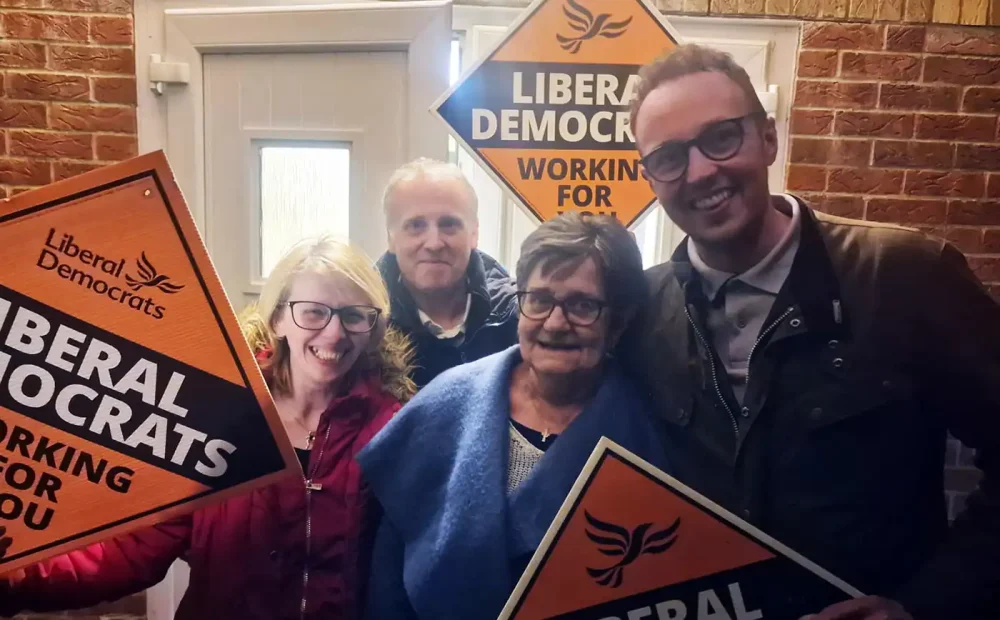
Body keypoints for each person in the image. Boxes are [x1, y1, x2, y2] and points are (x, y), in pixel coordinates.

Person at [622, 43, 1000, 620]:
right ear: (648, 176)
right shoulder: (642, 312)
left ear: (768, 137)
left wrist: (923, 605)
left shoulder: (904, 274)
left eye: (721, 138)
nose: (700, 172)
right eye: (669, 157)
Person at [0, 236, 416, 620]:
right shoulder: (218, 417)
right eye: (313, 312)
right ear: (277, 320)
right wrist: (14, 577)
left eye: (354, 317)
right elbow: (131, 550)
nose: (334, 332)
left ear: (373, 328)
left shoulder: (393, 431)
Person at [358, 213, 672, 619]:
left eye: (582, 305)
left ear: (618, 322)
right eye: (539, 299)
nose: (556, 323)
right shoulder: (443, 405)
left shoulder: (650, 435)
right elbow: (388, 576)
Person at [376, 157, 518, 388]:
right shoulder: (364, 327)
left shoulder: (517, 317)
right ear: (391, 238)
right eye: (415, 226)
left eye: (449, 224)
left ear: (474, 233)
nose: (434, 243)